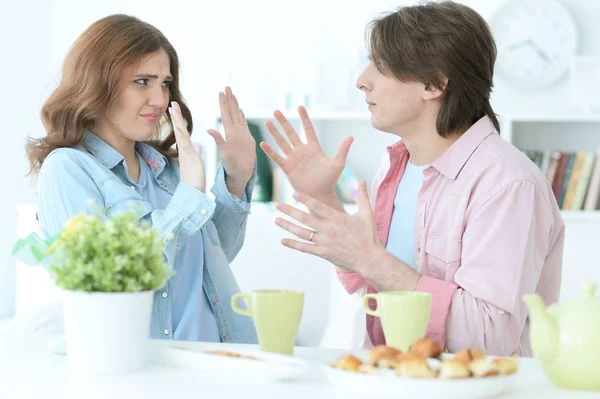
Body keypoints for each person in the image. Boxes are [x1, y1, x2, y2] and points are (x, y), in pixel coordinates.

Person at [260, 1, 564, 356]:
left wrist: (370, 259)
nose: (362, 81)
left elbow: (487, 339)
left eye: (381, 65)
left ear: (434, 84)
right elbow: (369, 285)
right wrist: (323, 198)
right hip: (390, 375)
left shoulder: (508, 185)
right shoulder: (393, 170)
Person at [26, 14, 258, 343]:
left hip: (222, 359)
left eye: (164, 83)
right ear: (98, 83)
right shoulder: (67, 169)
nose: (160, 99)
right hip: (152, 371)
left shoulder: (165, 169)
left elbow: (210, 258)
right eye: (142, 82)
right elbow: (111, 283)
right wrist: (190, 195)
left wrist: (236, 177)